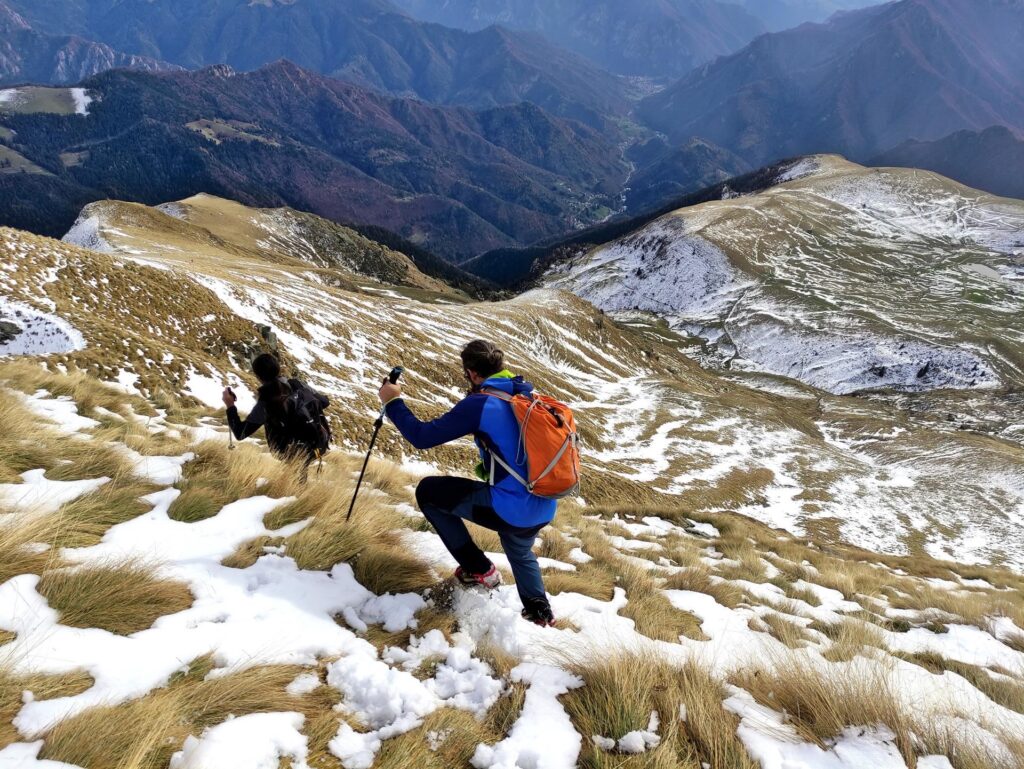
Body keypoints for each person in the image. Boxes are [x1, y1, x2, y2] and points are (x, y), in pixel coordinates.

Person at [378, 340, 557, 627]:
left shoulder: (481, 403)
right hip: (544, 504)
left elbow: (422, 437)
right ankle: (540, 612)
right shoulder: (525, 395)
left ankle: (479, 569)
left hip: (511, 508)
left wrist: (393, 401)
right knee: (519, 549)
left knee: (429, 492)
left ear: (473, 373)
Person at [221, 353, 330, 477]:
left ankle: (296, 492)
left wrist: (230, 405)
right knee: (299, 471)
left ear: (258, 376)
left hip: (288, 452)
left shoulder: (267, 401)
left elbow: (240, 433)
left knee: (296, 471)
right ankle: (300, 491)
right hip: (318, 444)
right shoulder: (297, 384)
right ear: (278, 368)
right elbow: (325, 402)